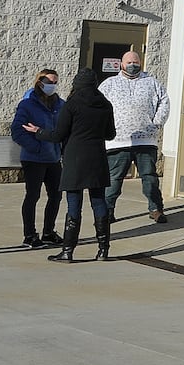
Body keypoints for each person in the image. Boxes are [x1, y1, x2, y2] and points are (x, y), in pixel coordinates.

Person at [21, 68, 115, 262]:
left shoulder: (72, 104)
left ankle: (68, 251)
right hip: (97, 158)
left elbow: (58, 135)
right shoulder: (105, 104)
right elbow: (110, 134)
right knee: (99, 203)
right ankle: (103, 250)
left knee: (74, 205)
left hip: (75, 159)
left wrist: (38, 131)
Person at [100, 51, 170, 224]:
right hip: (118, 141)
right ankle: (107, 211)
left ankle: (155, 209)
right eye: (129, 62)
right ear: (122, 64)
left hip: (146, 140)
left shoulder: (152, 83)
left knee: (150, 178)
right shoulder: (109, 84)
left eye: (136, 62)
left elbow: (164, 102)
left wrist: (156, 123)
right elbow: (98, 106)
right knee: (114, 179)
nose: (133, 65)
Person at [10, 69, 65, 248]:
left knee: (56, 196)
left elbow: (63, 130)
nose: (53, 85)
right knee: (33, 196)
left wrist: (61, 148)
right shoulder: (27, 105)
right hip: (34, 158)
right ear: (40, 82)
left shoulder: (60, 105)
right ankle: (30, 235)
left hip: (54, 158)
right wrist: (36, 147)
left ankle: (48, 232)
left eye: (55, 82)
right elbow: (18, 131)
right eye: (50, 82)